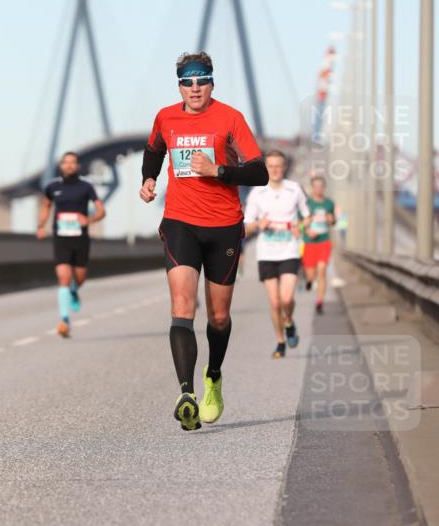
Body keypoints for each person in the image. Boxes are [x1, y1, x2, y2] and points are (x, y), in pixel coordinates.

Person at [139, 51, 267, 431]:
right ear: (179, 85)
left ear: (212, 82)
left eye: (202, 79)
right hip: (180, 221)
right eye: (187, 81)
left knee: (219, 316)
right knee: (182, 305)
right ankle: (186, 393)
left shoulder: (230, 118)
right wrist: (149, 179)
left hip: (224, 225)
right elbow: (154, 150)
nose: (195, 88)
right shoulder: (166, 117)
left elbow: (259, 171)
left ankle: (213, 376)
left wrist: (220, 170)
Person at [244, 150, 309, 358]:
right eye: (270, 166)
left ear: (284, 167)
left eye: (278, 165)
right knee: (274, 303)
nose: (274, 169)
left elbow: (307, 216)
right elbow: (246, 226)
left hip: (289, 249)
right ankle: (280, 342)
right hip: (267, 253)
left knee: (286, 298)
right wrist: (257, 224)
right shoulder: (257, 193)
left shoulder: (295, 189)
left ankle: (288, 321)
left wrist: (301, 226)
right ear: (266, 168)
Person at [36, 151, 106, 337]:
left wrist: (89, 219)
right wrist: (41, 226)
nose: (69, 165)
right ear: (61, 166)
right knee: (64, 277)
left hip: (80, 238)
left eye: (72, 162)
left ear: (78, 166)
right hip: (61, 238)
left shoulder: (86, 187)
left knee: (80, 277)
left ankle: (74, 291)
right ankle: (64, 321)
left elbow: (101, 211)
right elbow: (46, 206)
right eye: (65, 162)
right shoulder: (52, 187)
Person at [302, 174, 336, 315]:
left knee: (322, 271)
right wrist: (307, 229)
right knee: (311, 274)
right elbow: (300, 224)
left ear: (324, 188)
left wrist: (331, 219)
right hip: (309, 243)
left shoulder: (329, 203)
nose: (318, 189)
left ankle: (319, 302)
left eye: (321, 186)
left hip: (324, 241)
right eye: (316, 186)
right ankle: (309, 280)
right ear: (312, 188)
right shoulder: (306, 204)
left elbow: (333, 221)